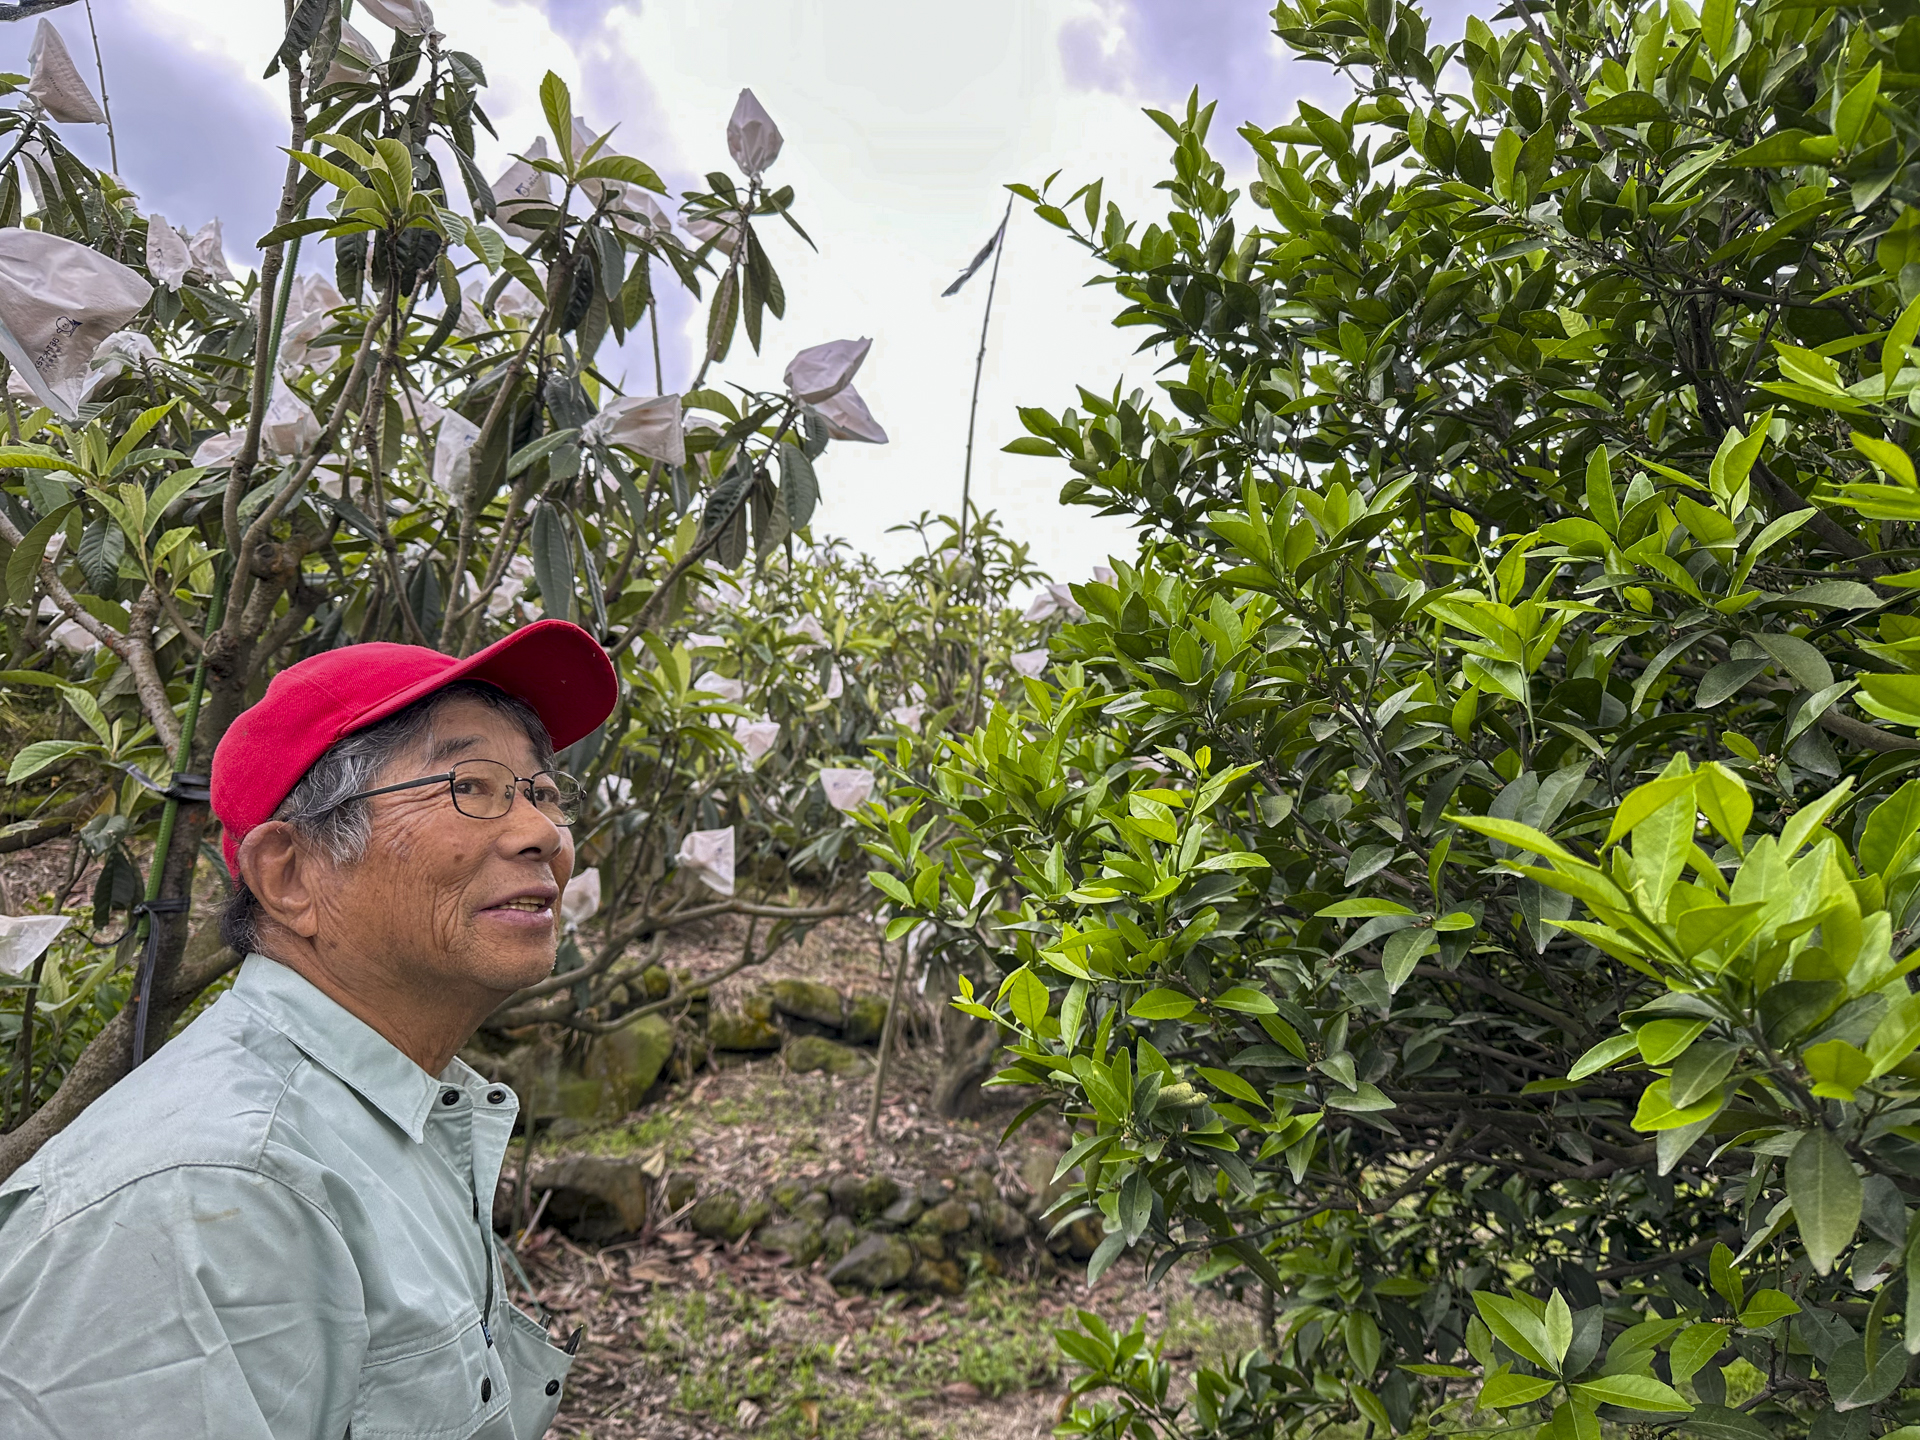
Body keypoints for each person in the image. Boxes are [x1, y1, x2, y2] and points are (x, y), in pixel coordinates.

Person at [0, 618, 618, 1439]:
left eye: (541, 791)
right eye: (472, 785)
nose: (543, 832)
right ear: (290, 876)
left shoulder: (387, 1117)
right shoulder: (211, 1195)